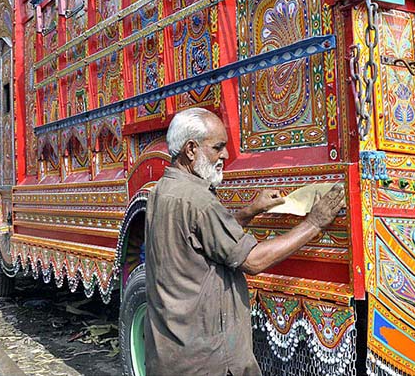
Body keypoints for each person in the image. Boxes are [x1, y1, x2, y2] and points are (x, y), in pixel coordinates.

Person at [145, 107, 344, 376]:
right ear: (191, 150)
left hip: (173, 355)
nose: (225, 155)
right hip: (207, 361)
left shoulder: (161, 191)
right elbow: (252, 261)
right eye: (217, 147)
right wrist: (314, 223)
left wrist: (250, 211)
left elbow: (204, 241)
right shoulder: (198, 200)